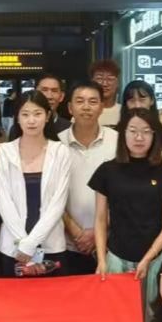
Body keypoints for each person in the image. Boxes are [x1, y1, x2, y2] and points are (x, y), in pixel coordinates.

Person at [91, 108, 162, 282]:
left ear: (154, 135)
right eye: (133, 131)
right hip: (116, 258)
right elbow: (100, 219)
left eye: (146, 132)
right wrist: (102, 259)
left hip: (154, 259)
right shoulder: (107, 171)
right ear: (123, 133)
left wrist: (148, 258)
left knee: (153, 301)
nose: (139, 137)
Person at [0, 91, 72, 277]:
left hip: (51, 244)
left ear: (48, 116)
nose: (31, 120)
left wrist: (31, 244)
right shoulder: (5, 151)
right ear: (17, 118)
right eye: (25, 114)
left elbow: (58, 203)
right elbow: (5, 201)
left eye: (37, 114)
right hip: (13, 246)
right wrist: (23, 244)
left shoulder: (60, 152)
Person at [60, 81, 119, 275]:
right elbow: (49, 195)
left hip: (109, 244)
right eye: (80, 101)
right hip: (66, 243)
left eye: (93, 101)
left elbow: (124, 193)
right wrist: (75, 232)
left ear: (102, 107)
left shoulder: (117, 142)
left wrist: (97, 232)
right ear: (70, 107)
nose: (86, 107)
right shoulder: (56, 144)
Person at [8, 73, 72, 139]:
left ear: (61, 96)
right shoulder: (18, 129)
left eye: (54, 91)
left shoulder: (69, 129)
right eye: (44, 90)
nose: (49, 96)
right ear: (35, 93)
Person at [123, 79, 162, 147]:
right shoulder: (115, 134)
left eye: (142, 100)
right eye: (132, 100)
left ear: (152, 101)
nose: (137, 106)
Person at [89, 59, 123, 126]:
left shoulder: (124, 112)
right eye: (99, 78)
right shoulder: (84, 112)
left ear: (117, 83)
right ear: (92, 82)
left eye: (110, 79)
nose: (105, 83)